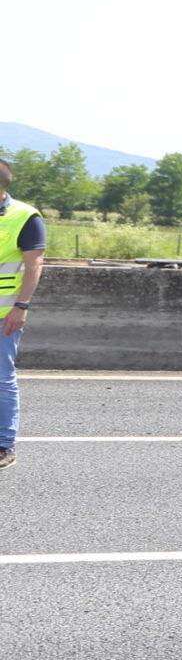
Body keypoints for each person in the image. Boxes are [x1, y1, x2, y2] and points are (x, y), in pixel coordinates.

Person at [0, 156, 48, 473]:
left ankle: (4, 444)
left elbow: (35, 265)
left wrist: (22, 306)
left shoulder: (24, 216)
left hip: (4, 315)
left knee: (1, 380)